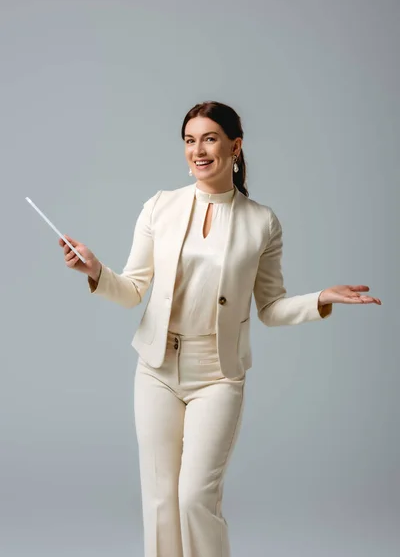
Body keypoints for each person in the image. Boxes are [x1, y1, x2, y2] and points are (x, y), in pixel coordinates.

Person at [59, 101, 381, 557]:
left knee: (195, 499)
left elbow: (270, 307)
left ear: (235, 146)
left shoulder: (262, 222)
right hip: (156, 368)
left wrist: (320, 300)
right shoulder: (160, 206)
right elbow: (132, 289)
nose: (198, 150)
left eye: (209, 138)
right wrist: (94, 270)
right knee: (160, 501)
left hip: (218, 372)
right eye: (190, 141)